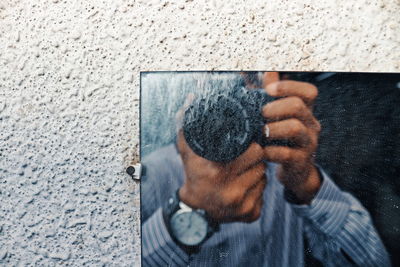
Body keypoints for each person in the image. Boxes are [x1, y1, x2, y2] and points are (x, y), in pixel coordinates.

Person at [141, 72, 390, 266]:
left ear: (276, 91)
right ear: (197, 88)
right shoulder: (156, 174)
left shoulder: (287, 164)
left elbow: (376, 261)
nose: (234, 100)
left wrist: (307, 185)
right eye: (224, 83)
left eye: (252, 81)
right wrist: (194, 207)